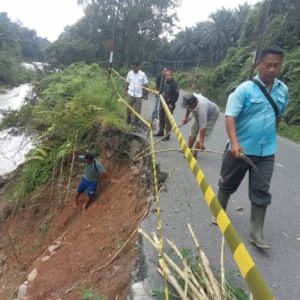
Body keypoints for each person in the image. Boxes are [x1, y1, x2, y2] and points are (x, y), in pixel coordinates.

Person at [214, 46, 288, 249]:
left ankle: (256, 232)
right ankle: (219, 211)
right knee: (227, 182)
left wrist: (268, 136)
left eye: (276, 66)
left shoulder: (283, 90)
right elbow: (230, 118)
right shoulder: (244, 89)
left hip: (266, 153)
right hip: (240, 150)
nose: (272, 70)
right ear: (258, 64)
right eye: (268, 65)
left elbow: (277, 116)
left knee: (261, 190)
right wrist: (235, 143)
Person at [182, 93, 220, 158]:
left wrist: (201, 142)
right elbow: (188, 108)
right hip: (198, 112)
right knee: (193, 131)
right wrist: (185, 118)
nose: (188, 107)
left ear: (193, 104)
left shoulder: (202, 109)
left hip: (211, 116)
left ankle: (193, 154)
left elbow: (203, 128)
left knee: (200, 137)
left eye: (189, 106)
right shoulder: (191, 99)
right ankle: (189, 150)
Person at [154, 69, 179, 140]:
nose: (167, 76)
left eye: (169, 75)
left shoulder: (175, 84)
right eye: (166, 75)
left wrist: (172, 103)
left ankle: (167, 135)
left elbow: (176, 95)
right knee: (161, 117)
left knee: (168, 120)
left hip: (169, 104)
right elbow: (161, 90)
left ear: (172, 75)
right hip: (162, 102)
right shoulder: (164, 82)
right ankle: (161, 131)